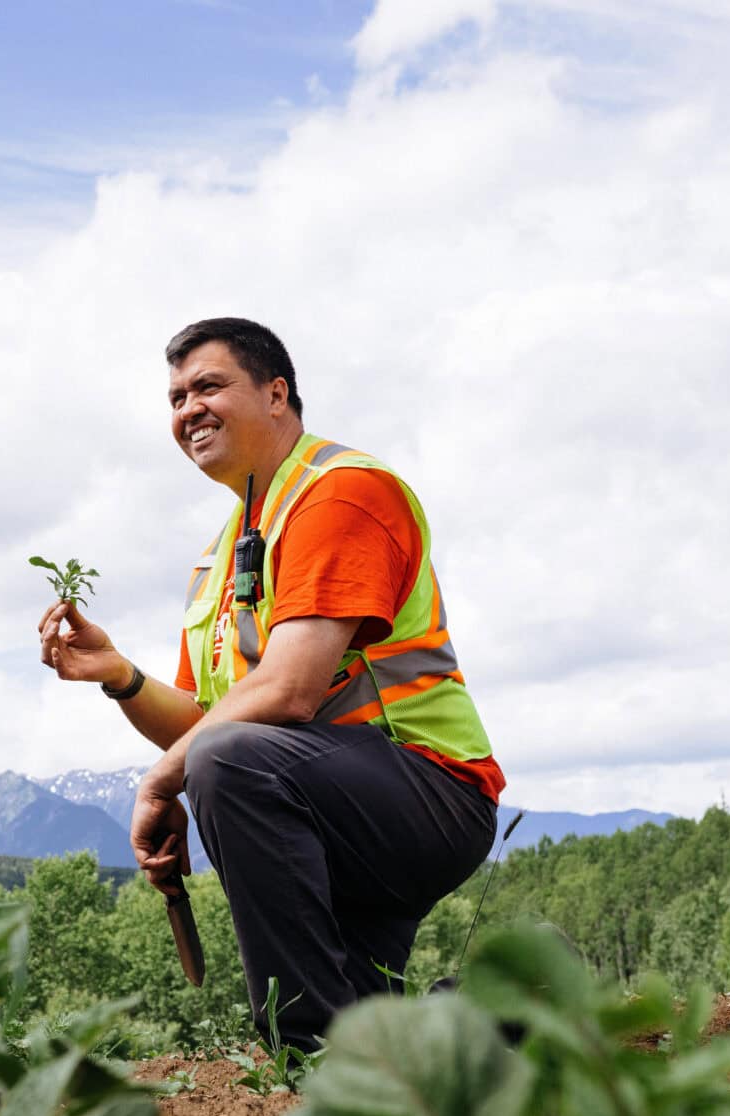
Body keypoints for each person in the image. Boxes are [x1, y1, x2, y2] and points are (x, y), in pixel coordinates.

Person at [37, 318, 503, 1051]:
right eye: (175, 396)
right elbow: (208, 717)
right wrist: (122, 677)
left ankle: (304, 1046)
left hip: (426, 792)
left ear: (276, 393)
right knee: (386, 1041)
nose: (187, 408)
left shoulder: (342, 492)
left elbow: (285, 693)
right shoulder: (219, 555)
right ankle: (523, 997)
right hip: (325, 811)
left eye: (208, 386)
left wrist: (161, 782)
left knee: (226, 761)